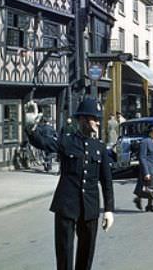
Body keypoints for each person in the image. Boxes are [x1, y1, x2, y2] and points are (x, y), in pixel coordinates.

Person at [26, 97, 114, 270]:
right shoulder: (67, 141)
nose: (97, 122)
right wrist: (31, 128)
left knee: (86, 253)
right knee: (64, 252)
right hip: (66, 205)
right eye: (93, 118)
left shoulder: (100, 147)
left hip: (90, 207)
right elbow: (43, 143)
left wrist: (109, 210)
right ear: (82, 119)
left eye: (98, 119)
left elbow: (107, 181)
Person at [133, 123, 153, 212]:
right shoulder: (145, 142)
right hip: (148, 168)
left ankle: (149, 205)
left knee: (152, 188)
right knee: (150, 187)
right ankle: (140, 200)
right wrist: (146, 172)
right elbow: (142, 157)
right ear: (150, 132)